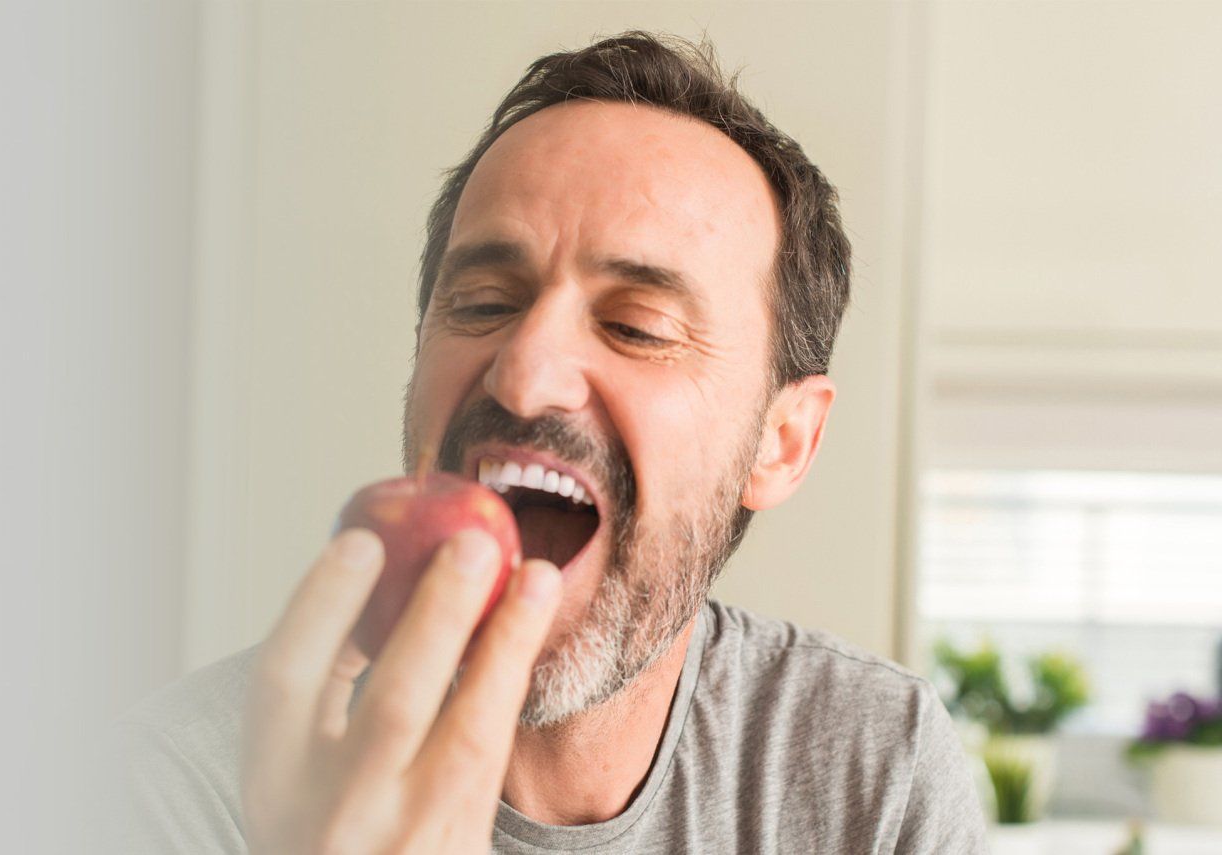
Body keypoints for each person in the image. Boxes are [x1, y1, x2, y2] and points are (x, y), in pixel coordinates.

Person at [120, 32, 987, 853]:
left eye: (637, 326)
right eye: (486, 304)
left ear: (783, 441)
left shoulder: (877, 769)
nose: (523, 373)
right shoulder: (180, 784)